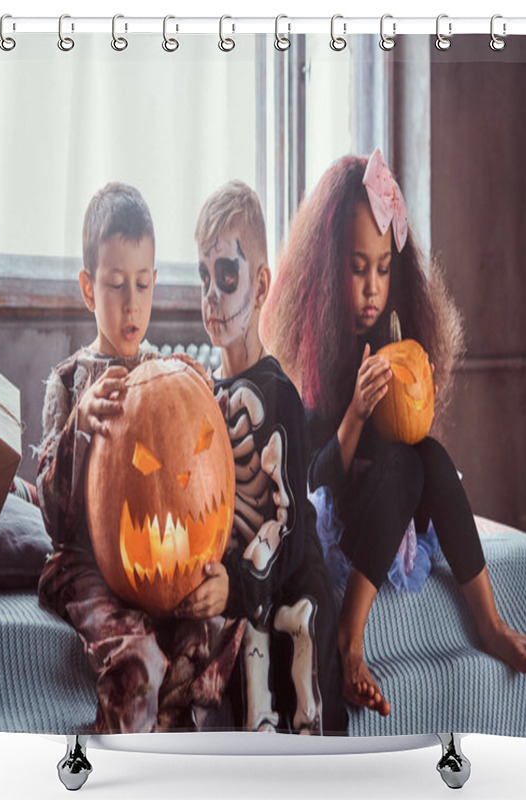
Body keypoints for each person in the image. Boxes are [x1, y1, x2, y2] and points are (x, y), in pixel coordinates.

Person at [262, 150, 526, 718]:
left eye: (383, 269)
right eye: (357, 267)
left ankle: (488, 622)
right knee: (401, 466)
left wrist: (417, 388)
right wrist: (356, 417)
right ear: (328, 269)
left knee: (429, 458)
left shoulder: (393, 329)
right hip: (342, 510)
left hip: (394, 505)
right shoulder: (309, 356)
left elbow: (411, 438)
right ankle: (350, 638)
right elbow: (313, 482)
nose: (372, 287)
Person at [37, 182, 244, 734]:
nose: (132, 303)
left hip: (156, 566)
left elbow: (201, 475)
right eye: (115, 285)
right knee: (136, 659)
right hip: (87, 566)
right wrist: (80, 424)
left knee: (203, 638)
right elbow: (55, 521)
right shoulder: (68, 385)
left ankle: (177, 762)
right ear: (88, 289)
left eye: (143, 284)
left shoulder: (172, 371)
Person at [195, 180, 347, 734]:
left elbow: (286, 521)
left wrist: (237, 586)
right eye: (204, 277)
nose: (212, 294)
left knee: (302, 682)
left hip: (289, 579)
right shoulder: (207, 394)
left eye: (226, 276)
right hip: (237, 578)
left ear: (259, 285)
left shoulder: (278, 392)